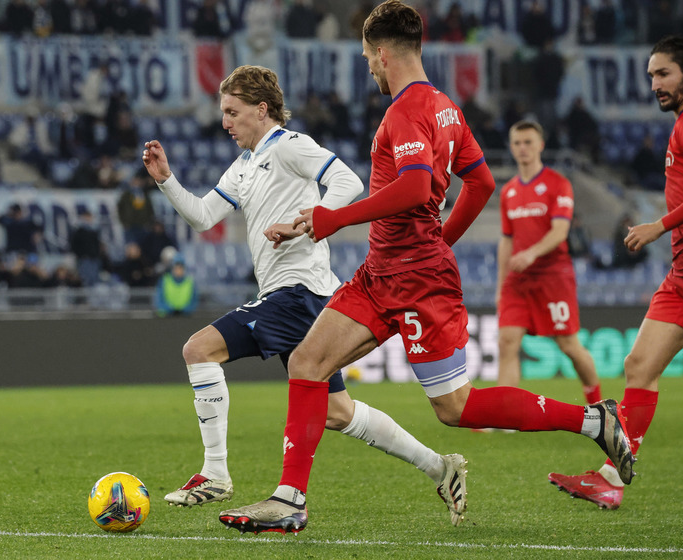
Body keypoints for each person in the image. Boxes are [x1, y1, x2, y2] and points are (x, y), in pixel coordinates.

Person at [218, 1, 635, 535]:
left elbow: (416, 186)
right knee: (307, 362)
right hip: (381, 273)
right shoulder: (446, 107)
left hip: (417, 281)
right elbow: (480, 183)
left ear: (384, 53)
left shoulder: (407, 111)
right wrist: (441, 239)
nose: (368, 66)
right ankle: (290, 498)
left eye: (369, 55)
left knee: (455, 407)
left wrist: (333, 218)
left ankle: (592, 420)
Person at [142, 64, 467, 519]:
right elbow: (201, 216)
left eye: (233, 112)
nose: (225, 123)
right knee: (337, 412)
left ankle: (215, 473)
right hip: (299, 295)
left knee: (199, 350)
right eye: (223, 113)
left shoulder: (291, 145)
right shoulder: (244, 166)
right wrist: (165, 180)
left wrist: (309, 221)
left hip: (299, 292)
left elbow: (348, 183)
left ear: (261, 109)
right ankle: (441, 468)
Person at [549, 35, 683, 510]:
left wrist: (660, 224)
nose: (655, 84)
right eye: (651, 76)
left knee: (639, 366)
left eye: (664, 74)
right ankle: (610, 480)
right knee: (639, 366)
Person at [494, 121, 601, 417]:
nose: (522, 148)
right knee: (507, 342)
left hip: (553, 277)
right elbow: (506, 241)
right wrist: (500, 286)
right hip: (517, 281)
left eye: (528, 142)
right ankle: (506, 415)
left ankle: (598, 403)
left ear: (540, 145)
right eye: (517, 143)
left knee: (569, 346)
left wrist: (531, 253)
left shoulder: (557, 184)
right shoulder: (509, 192)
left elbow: (560, 232)